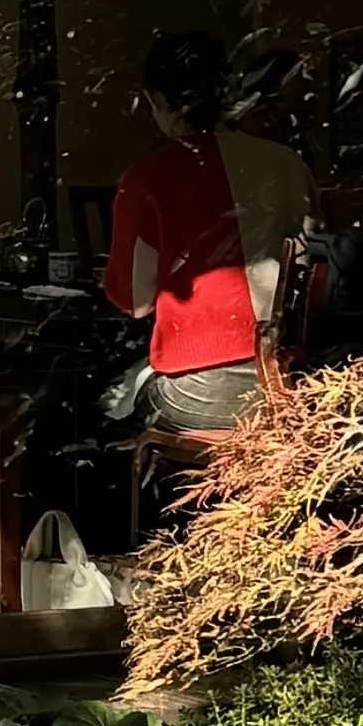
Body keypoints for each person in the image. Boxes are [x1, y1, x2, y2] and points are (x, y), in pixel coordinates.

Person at [104, 25, 264, 438]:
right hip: (282, 383)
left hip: (197, 388)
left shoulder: (148, 179)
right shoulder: (285, 165)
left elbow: (135, 301)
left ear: (158, 102)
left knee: (105, 403)